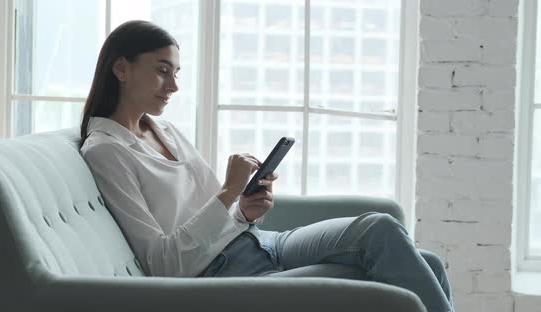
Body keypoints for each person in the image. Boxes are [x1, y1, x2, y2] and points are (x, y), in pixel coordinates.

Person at [79, 20, 454, 312]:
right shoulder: (106, 151)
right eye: (163, 70)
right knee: (396, 271)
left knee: (385, 231)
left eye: (176, 73)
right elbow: (163, 264)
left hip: (262, 241)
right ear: (121, 68)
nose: (173, 85)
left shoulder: (165, 130)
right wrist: (228, 191)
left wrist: (243, 209)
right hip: (224, 273)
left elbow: (216, 213)